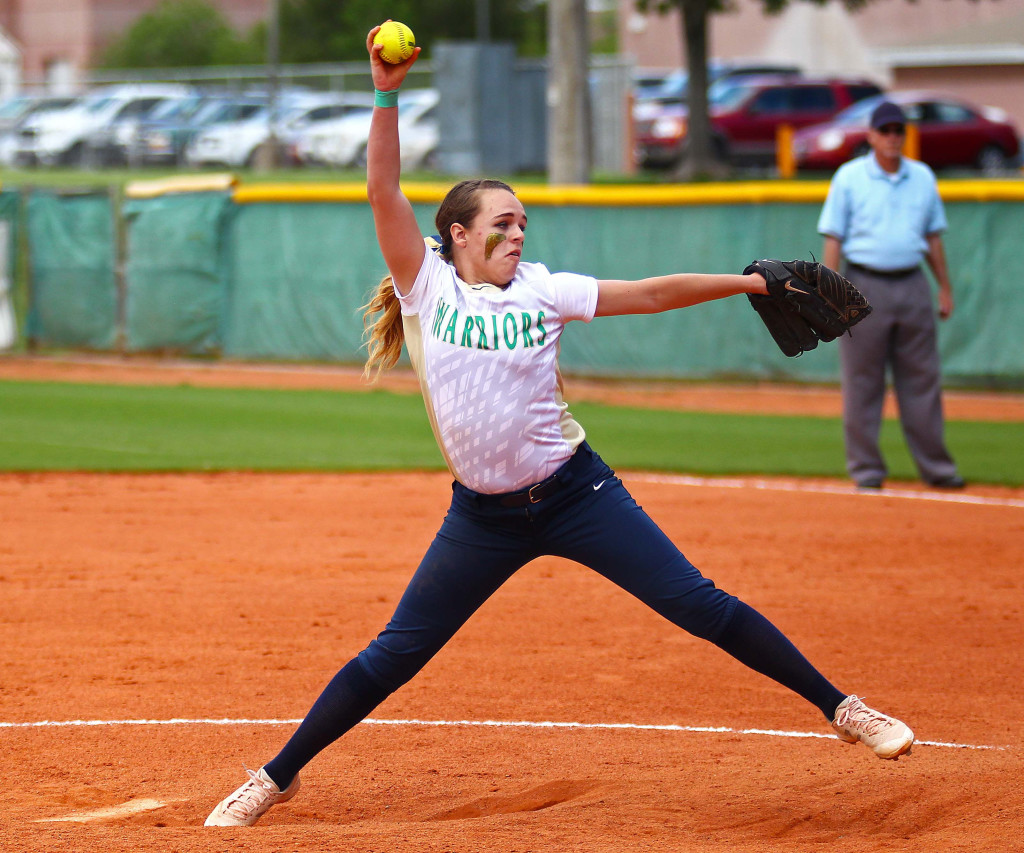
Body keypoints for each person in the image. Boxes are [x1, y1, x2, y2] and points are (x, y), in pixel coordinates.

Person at [203, 26, 915, 828]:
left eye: (524, 223)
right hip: (482, 517)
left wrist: (748, 281)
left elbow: (648, 292)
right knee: (395, 653)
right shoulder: (427, 285)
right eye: (502, 223)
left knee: (699, 603)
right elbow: (381, 190)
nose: (517, 234)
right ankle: (276, 774)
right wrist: (385, 92)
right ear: (458, 235)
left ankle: (845, 708)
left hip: (578, 493)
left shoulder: (543, 288)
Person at [819, 100, 964, 491]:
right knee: (863, 382)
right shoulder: (849, 177)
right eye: (885, 130)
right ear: (870, 135)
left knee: (922, 380)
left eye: (899, 130)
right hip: (862, 284)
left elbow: (933, 238)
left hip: (913, 283)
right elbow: (834, 237)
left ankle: (937, 469)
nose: (893, 137)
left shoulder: (922, 177)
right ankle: (866, 472)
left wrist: (944, 288)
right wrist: (832, 294)